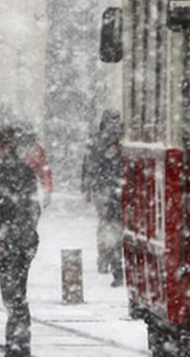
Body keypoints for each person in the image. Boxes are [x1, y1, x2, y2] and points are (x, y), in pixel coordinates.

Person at [0, 125, 41, 357]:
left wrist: (0, 241)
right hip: (19, 243)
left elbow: (9, 211)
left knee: (14, 298)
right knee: (15, 297)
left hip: (13, 245)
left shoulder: (10, 173)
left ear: (6, 146)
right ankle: (17, 345)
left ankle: (18, 347)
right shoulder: (14, 171)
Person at [81, 109, 125, 286]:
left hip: (109, 187)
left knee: (107, 224)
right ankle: (107, 257)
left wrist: (87, 184)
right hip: (107, 188)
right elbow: (89, 163)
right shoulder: (103, 139)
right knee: (108, 223)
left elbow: (89, 163)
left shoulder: (99, 139)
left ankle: (107, 257)